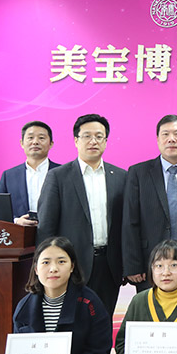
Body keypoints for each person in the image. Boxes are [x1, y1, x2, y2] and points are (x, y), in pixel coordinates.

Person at [38, 114, 127, 316]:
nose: (93, 141)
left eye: (99, 136)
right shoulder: (58, 176)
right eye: (87, 136)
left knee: (104, 321)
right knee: (72, 322)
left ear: (106, 141)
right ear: (76, 140)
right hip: (71, 264)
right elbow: (46, 227)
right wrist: (48, 264)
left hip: (109, 265)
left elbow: (127, 225)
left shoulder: (121, 177)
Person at [12, 236, 112, 354]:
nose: (53, 269)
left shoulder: (90, 303)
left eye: (61, 262)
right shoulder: (24, 307)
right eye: (46, 262)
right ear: (36, 268)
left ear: (72, 266)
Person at [122, 114, 177, 291]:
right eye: (165, 134)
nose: (171, 139)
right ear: (157, 139)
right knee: (151, 308)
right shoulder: (138, 173)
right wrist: (133, 265)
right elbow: (130, 222)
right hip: (150, 264)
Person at [0, 121, 60, 225]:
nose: (35, 142)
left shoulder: (63, 172)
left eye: (41, 138)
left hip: (55, 233)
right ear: (22, 143)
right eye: (30, 138)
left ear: (51, 144)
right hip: (19, 232)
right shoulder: (9, 176)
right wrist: (16, 221)